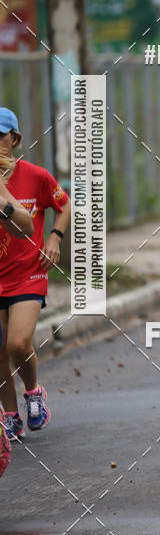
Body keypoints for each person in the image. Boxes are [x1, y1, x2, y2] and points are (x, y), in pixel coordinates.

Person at [0, 108, 71, 440]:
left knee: (17, 341)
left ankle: (32, 392)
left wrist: (55, 237)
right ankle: (10, 416)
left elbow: (64, 204)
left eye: (0, 136)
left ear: (14, 139)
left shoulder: (36, 176)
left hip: (29, 272)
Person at [0, 172, 34, 477]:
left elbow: (25, 227)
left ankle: (30, 394)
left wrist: (3, 207)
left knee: (14, 345)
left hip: (20, 276)